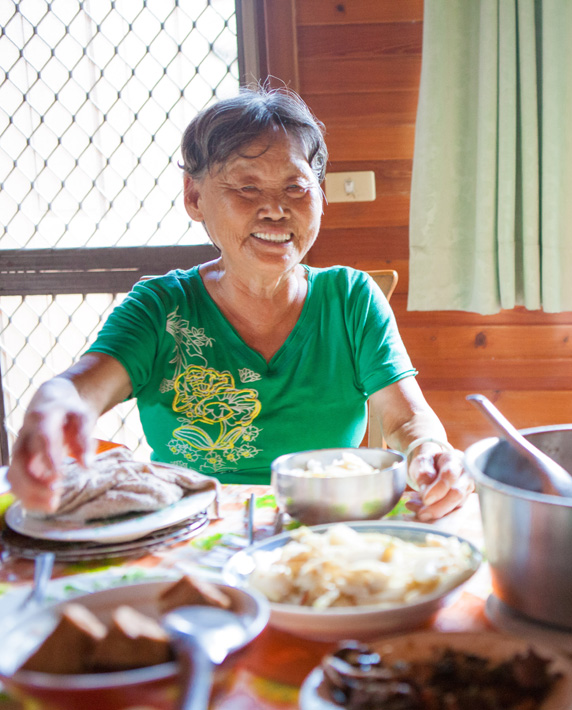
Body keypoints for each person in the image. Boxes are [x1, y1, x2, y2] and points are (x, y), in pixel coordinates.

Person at [8, 86, 472, 521]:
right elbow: (83, 388)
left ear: (321, 196)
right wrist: (53, 402)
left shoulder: (350, 299)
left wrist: (429, 451)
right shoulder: (161, 307)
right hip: (187, 528)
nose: (274, 208)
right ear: (194, 197)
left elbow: (405, 417)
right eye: (246, 188)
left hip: (322, 527)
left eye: (296, 187)